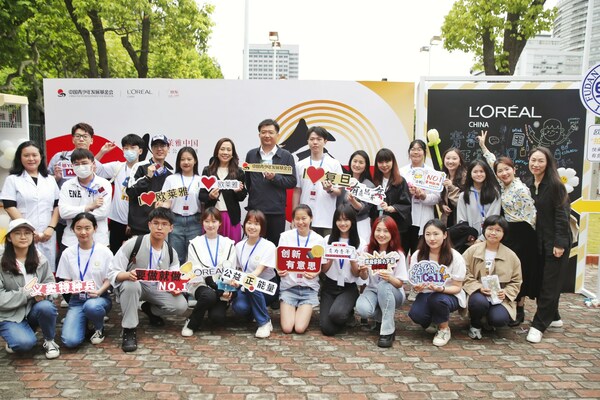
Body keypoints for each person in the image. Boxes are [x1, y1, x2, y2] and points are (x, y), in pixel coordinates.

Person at [478, 131, 538, 326]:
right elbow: (492, 162)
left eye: (507, 169)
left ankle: (520, 306)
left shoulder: (521, 189)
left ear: (514, 169)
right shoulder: (504, 185)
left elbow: (532, 215)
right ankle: (507, 302)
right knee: (508, 268)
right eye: (500, 171)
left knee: (521, 269)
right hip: (509, 232)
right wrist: (484, 147)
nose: (504, 173)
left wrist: (532, 235)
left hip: (524, 232)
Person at [108, 207, 188, 352]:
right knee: (131, 285)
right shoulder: (134, 243)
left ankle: (150, 309)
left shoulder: (171, 252)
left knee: (181, 305)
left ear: (171, 228)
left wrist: (175, 287)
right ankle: (129, 330)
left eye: (164, 224)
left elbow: (174, 278)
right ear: (149, 225)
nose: (159, 227)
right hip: (134, 285)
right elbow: (113, 271)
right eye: (156, 223)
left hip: (156, 288)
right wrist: (127, 275)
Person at [526, 147, 572, 344]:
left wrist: (560, 244)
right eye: (533, 160)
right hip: (538, 242)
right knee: (542, 281)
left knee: (549, 286)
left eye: (540, 161)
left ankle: (538, 325)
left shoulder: (555, 186)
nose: (536, 164)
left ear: (548, 163)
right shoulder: (529, 184)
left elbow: (563, 216)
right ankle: (554, 317)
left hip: (555, 242)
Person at [0, 219, 59, 359]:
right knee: (24, 344)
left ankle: (49, 340)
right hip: (10, 315)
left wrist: (45, 294)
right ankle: (16, 336)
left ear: (33, 236)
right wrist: (30, 293)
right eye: (17, 233)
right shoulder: (1, 262)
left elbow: (50, 284)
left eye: (27, 233)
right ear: (9, 237)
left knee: (46, 307)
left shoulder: (40, 259)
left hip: (33, 309)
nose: (23, 237)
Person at [1, 141, 60, 271]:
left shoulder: (50, 179)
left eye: (34, 155)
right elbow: (9, 206)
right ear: (20, 158)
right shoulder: (13, 179)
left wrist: (50, 228)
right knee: (23, 271)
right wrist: (29, 230)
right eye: (26, 155)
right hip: (22, 233)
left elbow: (57, 205)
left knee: (46, 272)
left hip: (47, 235)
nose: (31, 159)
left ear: (41, 157)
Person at [56, 213, 112, 347]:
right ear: (72, 229)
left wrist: (99, 291)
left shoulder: (104, 252)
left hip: (99, 298)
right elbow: (66, 280)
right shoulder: (68, 253)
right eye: (78, 228)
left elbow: (109, 279)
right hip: (77, 300)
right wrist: (69, 287)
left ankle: (99, 328)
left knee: (91, 306)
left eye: (87, 228)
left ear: (95, 229)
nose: (83, 232)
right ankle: (84, 323)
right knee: (70, 341)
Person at [462, 216, 522, 340]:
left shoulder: (511, 256)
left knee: (499, 319)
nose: (493, 233)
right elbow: (463, 272)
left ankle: (487, 320)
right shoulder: (472, 251)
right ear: (484, 230)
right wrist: (478, 287)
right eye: (490, 229)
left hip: (499, 298)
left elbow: (516, 281)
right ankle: (475, 324)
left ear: (504, 233)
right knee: (478, 302)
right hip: (477, 294)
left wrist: (506, 292)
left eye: (498, 230)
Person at [408, 219, 466, 347]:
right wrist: (417, 287)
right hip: (426, 293)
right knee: (416, 315)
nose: (432, 238)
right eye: (428, 234)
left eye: (436, 234)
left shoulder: (455, 257)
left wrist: (441, 289)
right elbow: (414, 281)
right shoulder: (418, 255)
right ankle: (435, 321)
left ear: (445, 235)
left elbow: (457, 287)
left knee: (437, 299)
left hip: (449, 294)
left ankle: (444, 329)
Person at [47, 122, 99, 263]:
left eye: (85, 136)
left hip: (87, 220)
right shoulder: (60, 158)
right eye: (77, 136)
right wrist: (56, 177)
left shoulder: (96, 163)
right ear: (72, 139)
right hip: (63, 219)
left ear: (91, 140)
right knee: (66, 256)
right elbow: (45, 183)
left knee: (88, 257)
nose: (81, 139)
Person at [182, 207, 237, 336]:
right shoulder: (195, 243)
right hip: (201, 285)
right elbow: (195, 271)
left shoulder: (228, 243)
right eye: (207, 221)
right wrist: (213, 286)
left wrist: (226, 288)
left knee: (217, 318)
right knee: (208, 295)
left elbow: (230, 270)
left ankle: (211, 304)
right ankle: (191, 323)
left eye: (214, 221)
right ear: (202, 223)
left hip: (222, 286)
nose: (210, 225)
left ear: (220, 223)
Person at [356, 216, 407, 348]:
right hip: (372, 290)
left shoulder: (397, 254)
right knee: (362, 309)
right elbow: (363, 278)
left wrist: (389, 278)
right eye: (378, 230)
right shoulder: (367, 251)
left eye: (386, 231)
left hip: (393, 292)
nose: (381, 234)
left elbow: (400, 283)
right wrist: (363, 270)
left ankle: (387, 332)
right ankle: (381, 318)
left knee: (384, 286)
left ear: (392, 233)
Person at [245, 118, 297, 245]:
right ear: (259, 135)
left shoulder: (286, 156)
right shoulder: (251, 155)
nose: (267, 135)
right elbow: (248, 181)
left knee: (275, 246)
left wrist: (274, 177)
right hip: (256, 210)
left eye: (270, 132)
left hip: (276, 211)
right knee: (254, 245)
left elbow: (292, 181)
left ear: (277, 135)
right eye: (263, 132)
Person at [93, 133, 145, 254]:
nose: (129, 151)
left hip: (138, 222)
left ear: (140, 151)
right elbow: (95, 169)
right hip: (117, 220)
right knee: (115, 253)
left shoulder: (146, 170)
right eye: (126, 148)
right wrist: (102, 152)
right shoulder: (117, 167)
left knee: (137, 255)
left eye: (133, 148)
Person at [277, 204, 324, 334]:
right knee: (287, 328)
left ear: (311, 218)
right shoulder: (285, 237)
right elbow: (280, 261)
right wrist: (279, 270)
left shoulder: (318, 240)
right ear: (293, 220)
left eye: (304, 218)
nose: (300, 222)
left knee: (299, 328)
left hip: (308, 288)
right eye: (297, 219)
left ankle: (301, 311)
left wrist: (316, 272)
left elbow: (320, 265)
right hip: (289, 287)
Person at [231, 210, 277, 338]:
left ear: (262, 227)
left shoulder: (268, 246)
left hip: (266, 287)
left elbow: (258, 271)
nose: (252, 227)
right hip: (246, 285)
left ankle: (264, 322)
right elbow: (239, 270)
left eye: (256, 224)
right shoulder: (239, 246)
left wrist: (244, 280)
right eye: (249, 223)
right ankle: (256, 313)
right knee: (239, 307)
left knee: (250, 283)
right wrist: (235, 281)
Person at [320, 204, 363, 337]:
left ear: (352, 221)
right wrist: (331, 257)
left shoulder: (360, 242)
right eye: (339, 220)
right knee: (327, 329)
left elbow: (357, 273)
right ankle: (343, 314)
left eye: (346, 220)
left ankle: (346, 313)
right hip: (329, 286)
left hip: (348, 287)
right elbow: (324, 270)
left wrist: (352, 259)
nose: (342, 223)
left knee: (337, 314)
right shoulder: (327, 240)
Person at [293, 127, 343, 236]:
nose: (315, 142)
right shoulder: (300, 165)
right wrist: (294, 216)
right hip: (304, 219)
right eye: (312, 139)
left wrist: (329, 189)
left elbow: (339, 191)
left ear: (325, 141)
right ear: (307, 141)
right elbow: (297, 191)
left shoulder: (334, 164)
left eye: (319, 139)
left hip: (327, 219)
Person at [58, 149, 112, 249]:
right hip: (71, 240)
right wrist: (88, 207)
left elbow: (102, 213)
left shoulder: (104, 184)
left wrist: (74, 214)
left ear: (93, 164)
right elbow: (64, 213)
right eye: (76, 164)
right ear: (72, 166)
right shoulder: (67, 185)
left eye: (84, 163)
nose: (81, 166)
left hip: (98, 240)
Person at [159, 147, 202, 264]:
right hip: (175, 221)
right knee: (177, 258)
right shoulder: (171, 179)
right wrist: (161, 205)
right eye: (182, 159)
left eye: (189, 159)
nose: (186, 162)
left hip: (195, 222)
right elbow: (164, 200)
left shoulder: (201, 180)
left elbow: (204, 203)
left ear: (195, 161)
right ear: (178, 162)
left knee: (195, 258)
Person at [200, 138, 247, 243]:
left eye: (229, 150)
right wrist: (210, 196)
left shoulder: (238, 172)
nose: (225, 152)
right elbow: (201, 195)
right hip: (211, 217)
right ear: (217, 151)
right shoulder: (208, 170)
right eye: (222, 149)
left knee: (231, 247)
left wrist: (238, 191)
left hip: (231, 217)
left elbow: (242, 196)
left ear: (233, 153)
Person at [126, 134, 173, 236]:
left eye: (162, 146)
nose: (159, 149)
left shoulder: (170, 175)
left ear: (168, 148)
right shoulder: (139, 166)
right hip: (139, 227)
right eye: (156, 146)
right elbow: (130, 192)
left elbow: (170, 199)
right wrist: (147, 177)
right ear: (151, 149)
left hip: (160, 227)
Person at [400, 140, 441, 254]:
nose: (416, 152)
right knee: (402, 253)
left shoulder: (432, 173)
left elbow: (437, 197)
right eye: (413, 149)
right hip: (405, 218)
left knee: (420, 253)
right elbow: (396, 195)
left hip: (424, 218)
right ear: (409, 152)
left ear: (424, 152)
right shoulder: (401, 172)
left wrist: (423, 195)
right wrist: (407, 193)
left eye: (419, 149)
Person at [370, 148, 412, 252]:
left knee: (396, 254)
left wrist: (391, 208)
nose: (384, 165)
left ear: (393, 162)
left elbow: (406, 204)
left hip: (397, 226)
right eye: (381, 162)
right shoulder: (374, 182)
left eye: (387, 161)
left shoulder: (401, 181)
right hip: (378, 226)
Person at [456, 160, 501, 241]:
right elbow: (461, 220)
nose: (479, 174)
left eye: (481, 171)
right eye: (475, 172)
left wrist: (481, 239)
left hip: (491, 238)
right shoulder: (464, 196)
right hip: (470, 240)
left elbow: (494, 218)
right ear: (470, 174)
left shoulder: (494, 194)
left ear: (486, 173)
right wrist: (470, 238)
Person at [339, 150, 375, 242]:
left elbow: (364, 207)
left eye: (361, 162)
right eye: (355, 161)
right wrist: (329, 189)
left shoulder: (369, 185)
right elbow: (335, 194)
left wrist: (353, 201)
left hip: (360, 224)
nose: (357, 165)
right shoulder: (343, 180)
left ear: (366, 166)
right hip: (342, 223)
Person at [439, 147, 466, 227]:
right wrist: (442, 206)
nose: (450, 161)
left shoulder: (466, 177)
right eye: (448, 158)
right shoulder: (442, 176)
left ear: (460, 161)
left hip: (461, 219)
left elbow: (464, 202)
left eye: (454, 159)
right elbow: (440, 197)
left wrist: (451, 187)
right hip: (447, 220)